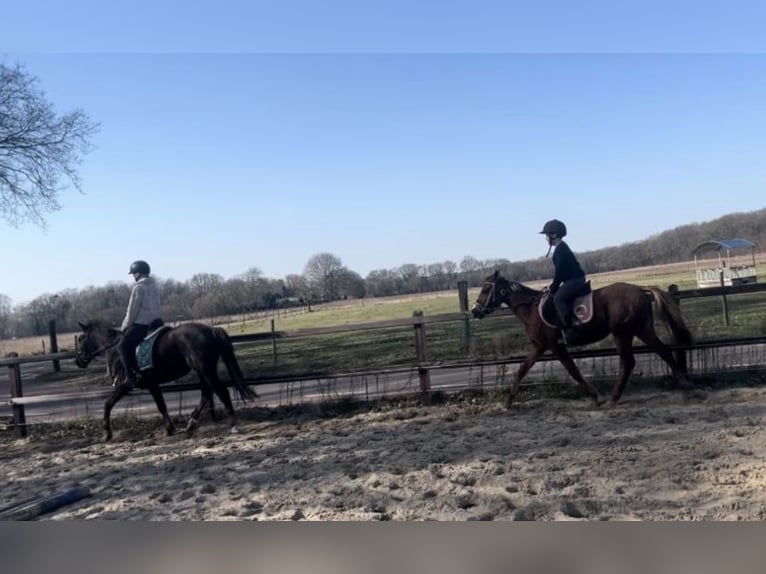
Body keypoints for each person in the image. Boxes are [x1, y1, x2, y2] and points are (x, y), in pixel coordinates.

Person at [539, 219, 586, 343]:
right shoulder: (561, 248)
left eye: (546, 235)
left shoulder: (561, 250)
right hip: (572, 280)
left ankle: (571, 329)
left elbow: (560, 273)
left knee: (557, 299)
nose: (545, 238)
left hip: (575, 280)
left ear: (554, 235)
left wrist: (553, 286)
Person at [118, 260, 162, 386]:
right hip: (157, 323)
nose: (133, 276)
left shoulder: (138, 287)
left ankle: (131, 376)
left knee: (122, 346)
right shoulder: (155, 287)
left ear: (137, 274)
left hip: (141, 325)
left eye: (133, 274)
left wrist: (125, 326)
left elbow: (132, 310)